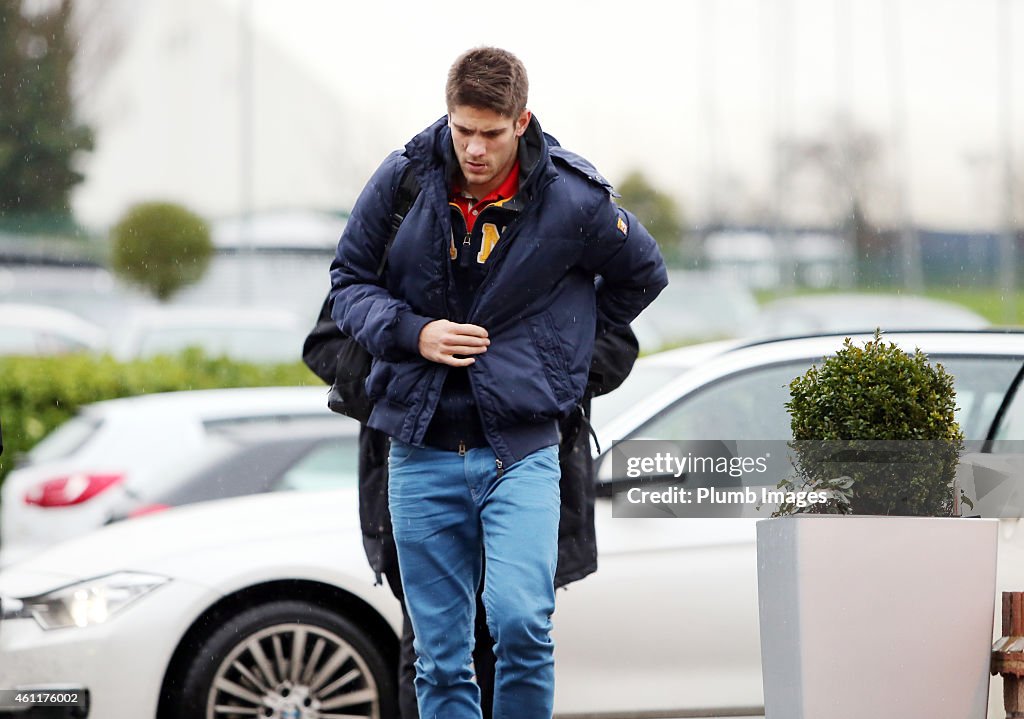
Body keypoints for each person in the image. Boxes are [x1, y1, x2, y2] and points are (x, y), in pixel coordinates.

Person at [329, 46, 667, 719]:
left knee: (520, 625)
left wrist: (557, 344)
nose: (475, 149)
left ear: (522, 120)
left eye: (491, 132)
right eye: (463, 130)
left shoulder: (573, 197)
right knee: (440, 654)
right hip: (419, 448)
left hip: (523, 451)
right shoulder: (401, 179)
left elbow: (643, 273)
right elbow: (347, 284)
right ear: (448, 116)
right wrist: (412, 331)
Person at [304, 295, 639, 718]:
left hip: (525, 475)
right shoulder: (394, 235)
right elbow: (325, 345)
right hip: (419, 476)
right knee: (435, 657)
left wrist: (530, 376)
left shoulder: (556, 233)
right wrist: (409, 357)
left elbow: (616, 342)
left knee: (519, 636)